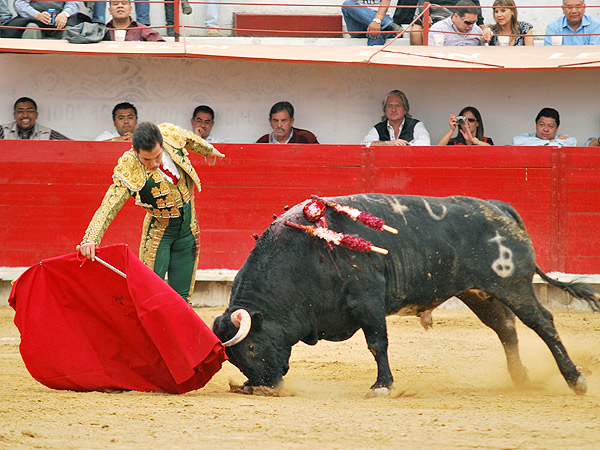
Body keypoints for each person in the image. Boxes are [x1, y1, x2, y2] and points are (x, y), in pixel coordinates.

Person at [78, 122, 225, 303]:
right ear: (136, 151)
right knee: (148, 296)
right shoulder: (130, 165)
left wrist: (208, 149)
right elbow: (109, 205)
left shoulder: (169, 135)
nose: (154, 164)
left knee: (183, 299)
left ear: (162, 144)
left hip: (189, 231)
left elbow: (189, 138)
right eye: (146, 160)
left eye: (157, 157)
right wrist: (91, 238)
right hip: (159, 235)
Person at [362, 90, 431, 146]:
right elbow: (364, 145)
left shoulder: (416, 125)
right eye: (389, 106)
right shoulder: (378, 128)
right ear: (385, 109)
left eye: (398, 106)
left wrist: (402, 145)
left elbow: (425, 144)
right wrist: (387, 144)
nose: (394, 110)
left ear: (405, 109)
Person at [409, 0, 484, 45]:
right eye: (469, 23)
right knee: (416, 31)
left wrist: (480, 22)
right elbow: (423, 1)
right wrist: (425, 16)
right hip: (435, 15)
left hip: (460, 12)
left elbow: (475, 4)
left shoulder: (474, 28)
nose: (471, 26)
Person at [3, 0, 88, 39]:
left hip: (60, 20)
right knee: (31, 28)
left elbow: (73, 4)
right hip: (35, 19)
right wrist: (36, 15)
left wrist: (64, 14)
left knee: (69, 31)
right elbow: (20, 4)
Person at [1, 97, 70, 140]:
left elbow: (74, 148)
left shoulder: (48, 135)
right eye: (20, 111)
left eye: (30, 111)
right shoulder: (2, 131)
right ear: (14, 115)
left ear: (36, 115)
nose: (25, 115)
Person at [512, 108, 577, 147]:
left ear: (557, 128)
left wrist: (549, 142)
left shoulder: (562, 138)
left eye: (551, 126)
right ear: (536, 124)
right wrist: (551, 142)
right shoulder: (527, 137)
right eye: (541, 125)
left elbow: (573, 142)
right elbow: (516, 141)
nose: (545, 129)